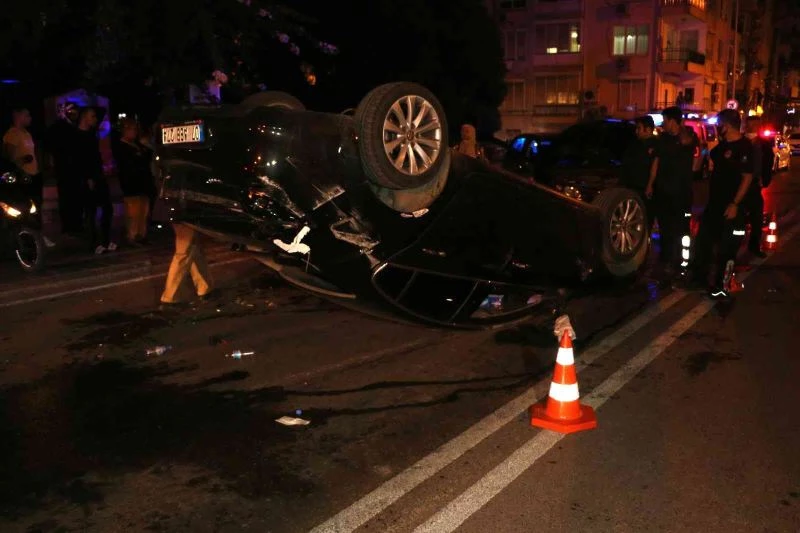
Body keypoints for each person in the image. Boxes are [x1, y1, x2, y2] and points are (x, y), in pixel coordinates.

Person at [690, 109, 754, 298]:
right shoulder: (719, 148)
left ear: (726, 125)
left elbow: (747, 178)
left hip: (734, 207)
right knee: (704, 242)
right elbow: (707, 165)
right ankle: (699, 280)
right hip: (715, 205)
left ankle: (722, 284)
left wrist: (735, 203)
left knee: (728, 248)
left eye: (719, 124)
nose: (717, 128)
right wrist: (702, 152)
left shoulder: (745, 148)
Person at [645, 106, 696, 279]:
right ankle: (665, 261)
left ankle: (683, 263)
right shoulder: (663, 139)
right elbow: (656, 163)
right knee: (665, 228)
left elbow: (688, 142)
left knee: (681, 229)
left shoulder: (688, 135)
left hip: (681, 192)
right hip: (663, 191)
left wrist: (680, 126)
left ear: (673, 121)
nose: (663, 123)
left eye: (665, 120)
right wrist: (651, 184)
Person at [3, 108, 55, 247]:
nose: (30, 118)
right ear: (17, 116)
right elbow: (10, 158)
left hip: (34, 175)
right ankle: (30, 237)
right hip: (23, 177)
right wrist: (22, 162)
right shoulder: (12, 134)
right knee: (27, 207)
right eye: (27, 115)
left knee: (37, 206)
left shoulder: (26, 133)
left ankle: (38, 236)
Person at [74, 107, 117, 254]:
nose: (95, 119)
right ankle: (93, 243)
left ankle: (106, 239)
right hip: (87, 178)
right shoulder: (77, 136)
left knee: (107, 208)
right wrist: (87, 177)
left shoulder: (92, 134)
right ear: (84, 117)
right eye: (92, 116)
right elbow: (79, 160)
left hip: (99, 175)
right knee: (90, 211)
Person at [114, 118, 156, 244]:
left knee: (143, 210)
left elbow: (148, 155)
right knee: (133, 211)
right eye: (131, 130)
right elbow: (127, 164)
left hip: (144, 182)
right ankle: (132, 235)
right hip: (131, 183)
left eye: (135, 130)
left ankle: (141, 235)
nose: (134, 132)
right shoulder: (121, 146)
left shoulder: (138, 145)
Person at [45, 102, 83, 235]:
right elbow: (49, 147)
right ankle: (69, 226)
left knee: (77, 197)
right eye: (71, 112)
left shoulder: (75, 127)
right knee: (67, 197)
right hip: (64, 168)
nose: (74, 115)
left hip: (76, 168)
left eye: (76, 113)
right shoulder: (57, 128)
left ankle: (77, 225)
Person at [160, 223, 214, 305]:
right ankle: (171, 297)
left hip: (183, 214)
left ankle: (205, 288)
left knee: (194, 246)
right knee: (185, 250)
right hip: (184, 214)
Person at [742, 118, 773, 258]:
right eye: (749, 124)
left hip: (754, 185)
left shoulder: (764, 144)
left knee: (757, 218)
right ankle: (733, 245)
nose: (752, 126)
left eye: (755, 124)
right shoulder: (741, 142)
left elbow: (768, 163)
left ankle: (754, 246)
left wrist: (764, 180)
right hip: (741, 185)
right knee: (738, 217)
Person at [620, 115, 657, 227]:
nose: (637, 131)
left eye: (639, 128)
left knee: (645, 219)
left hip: (645, 189)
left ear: (648, 129)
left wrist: (650, 185)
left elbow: (655, 167)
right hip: (632, 187)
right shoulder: (635, 145)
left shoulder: (656, 146)